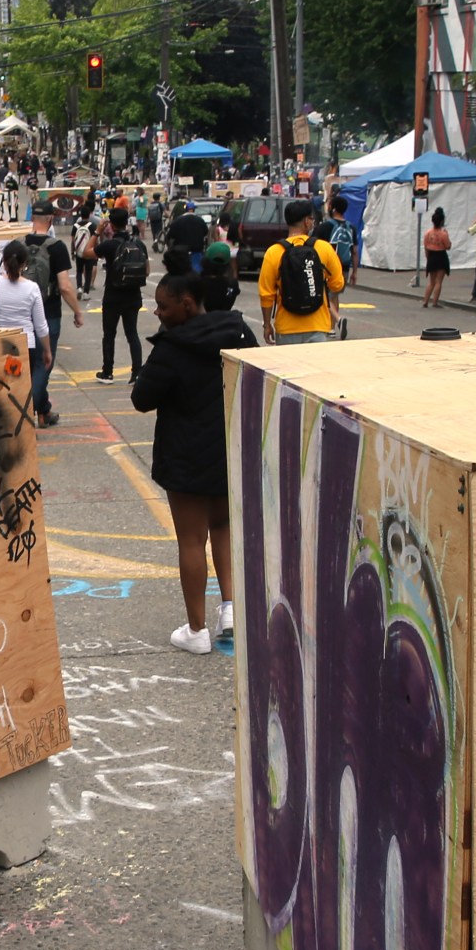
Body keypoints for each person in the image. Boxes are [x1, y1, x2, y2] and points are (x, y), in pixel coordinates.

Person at [132, 271, 257, 654]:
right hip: (228, 448)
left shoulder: (172, 348)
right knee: (223, 527)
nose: (157, 312)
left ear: (186, 304)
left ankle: (197, 629)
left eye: (164, 306)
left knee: (191, 540)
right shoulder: (237, 332)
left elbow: (142, 398)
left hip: (185, 455)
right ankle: (232, 610)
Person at [24, 204, 82, 427]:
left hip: (21, 314)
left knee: (28, 366)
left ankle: (44, 411)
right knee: (43, 364)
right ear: (50, 220)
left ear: (33, 219)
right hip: (49, 313)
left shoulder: (17, 245)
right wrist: (77, 312)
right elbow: (65, 286)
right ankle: (33, 408)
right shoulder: (56, 247)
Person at [256, 200, 344, 345]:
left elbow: (266, 295)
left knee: (288, 368)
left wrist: (267, 325)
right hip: (318, 325)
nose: (312, 222)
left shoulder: (274, 252)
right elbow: (337, 285)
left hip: (286, 328)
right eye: (311, 219)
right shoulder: (324, 248)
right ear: (306, 222)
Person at [0, 237, 51, 384]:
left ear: (3, 260)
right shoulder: (32, 288)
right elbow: (41, 326)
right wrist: (47, 350)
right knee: (21, 394)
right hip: (26, 346)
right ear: (25, 263)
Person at [92, 206, 152, 381]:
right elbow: (147, 271)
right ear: (127, 222)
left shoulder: (110, 245)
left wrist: (97, 232)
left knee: (109, 334)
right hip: (133, 296)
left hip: (113, 296)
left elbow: (86, 252)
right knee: (132, 334)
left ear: (111, 224)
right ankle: (136, 373)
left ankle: (108, 371)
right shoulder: (138, 243)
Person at [422, 207, 453, 307]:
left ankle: (425, 301)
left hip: (431, 256)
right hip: (441, 256)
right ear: (442, 221)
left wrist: (428, 259)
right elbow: (448, 246)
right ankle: (434, 302)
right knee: (438, 281)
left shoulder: (428, 233)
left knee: (431, 281)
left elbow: (426, 247)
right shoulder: (443, 234)